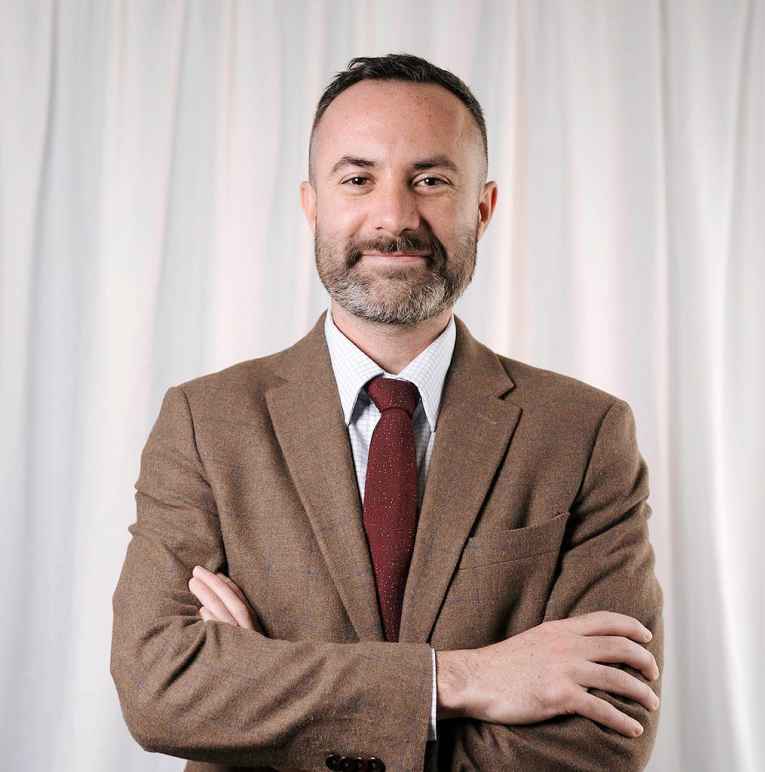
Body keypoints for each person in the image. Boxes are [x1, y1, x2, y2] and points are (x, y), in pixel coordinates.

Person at [111, 53, 663, 772]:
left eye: (431, 180)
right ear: (314, 204)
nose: (395, 216)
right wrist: (464, 680)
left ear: (484, 208)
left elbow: (602, 734)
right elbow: (160, 688)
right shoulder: (205, 423)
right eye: (358, 178)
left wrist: (259, 692)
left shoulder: (585, 435)